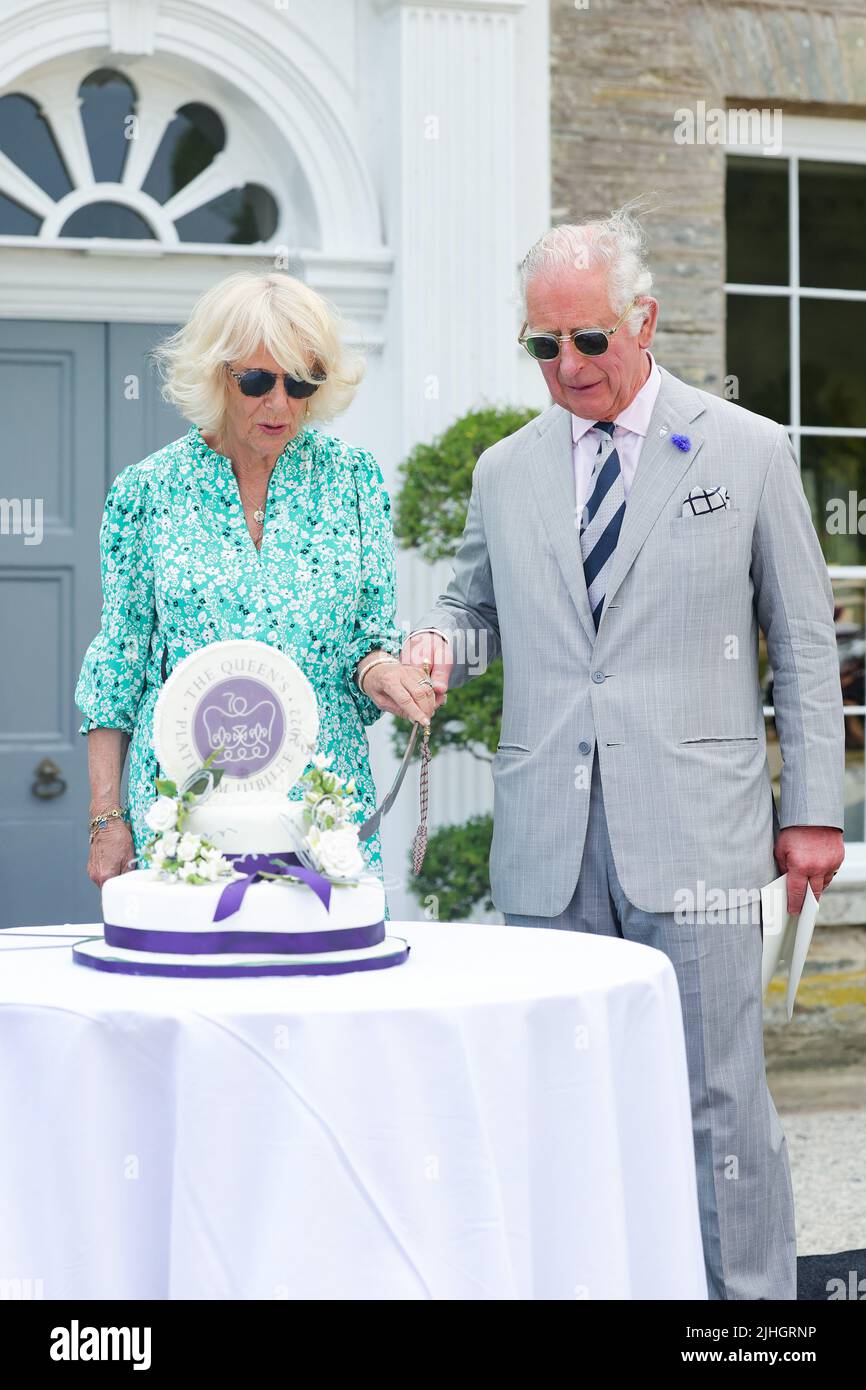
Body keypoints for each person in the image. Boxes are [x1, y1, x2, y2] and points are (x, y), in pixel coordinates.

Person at [395, 208, 845, 1298]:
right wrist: (433, 645)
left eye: (588, 340)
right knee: (555, 1096)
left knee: (714, 1094)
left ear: (641, 320)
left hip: (695, 831)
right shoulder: (503, 471)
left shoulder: (744, 448)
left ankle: (747, 1316)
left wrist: (815, 811)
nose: (567, 365)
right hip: (548, 837)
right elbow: (475, 606)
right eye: (542, 345)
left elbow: (798, 638)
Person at [75, 271, 436, 909]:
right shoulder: (148, 490)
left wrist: (384, 671)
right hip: (186, 808)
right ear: (217, 376)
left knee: (325, 989)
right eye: (257, 381)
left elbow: (369, 639)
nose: (280, 404)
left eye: (301, 383)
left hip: (320, 809)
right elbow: (119, 662)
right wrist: (107, 817)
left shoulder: (354, 481)